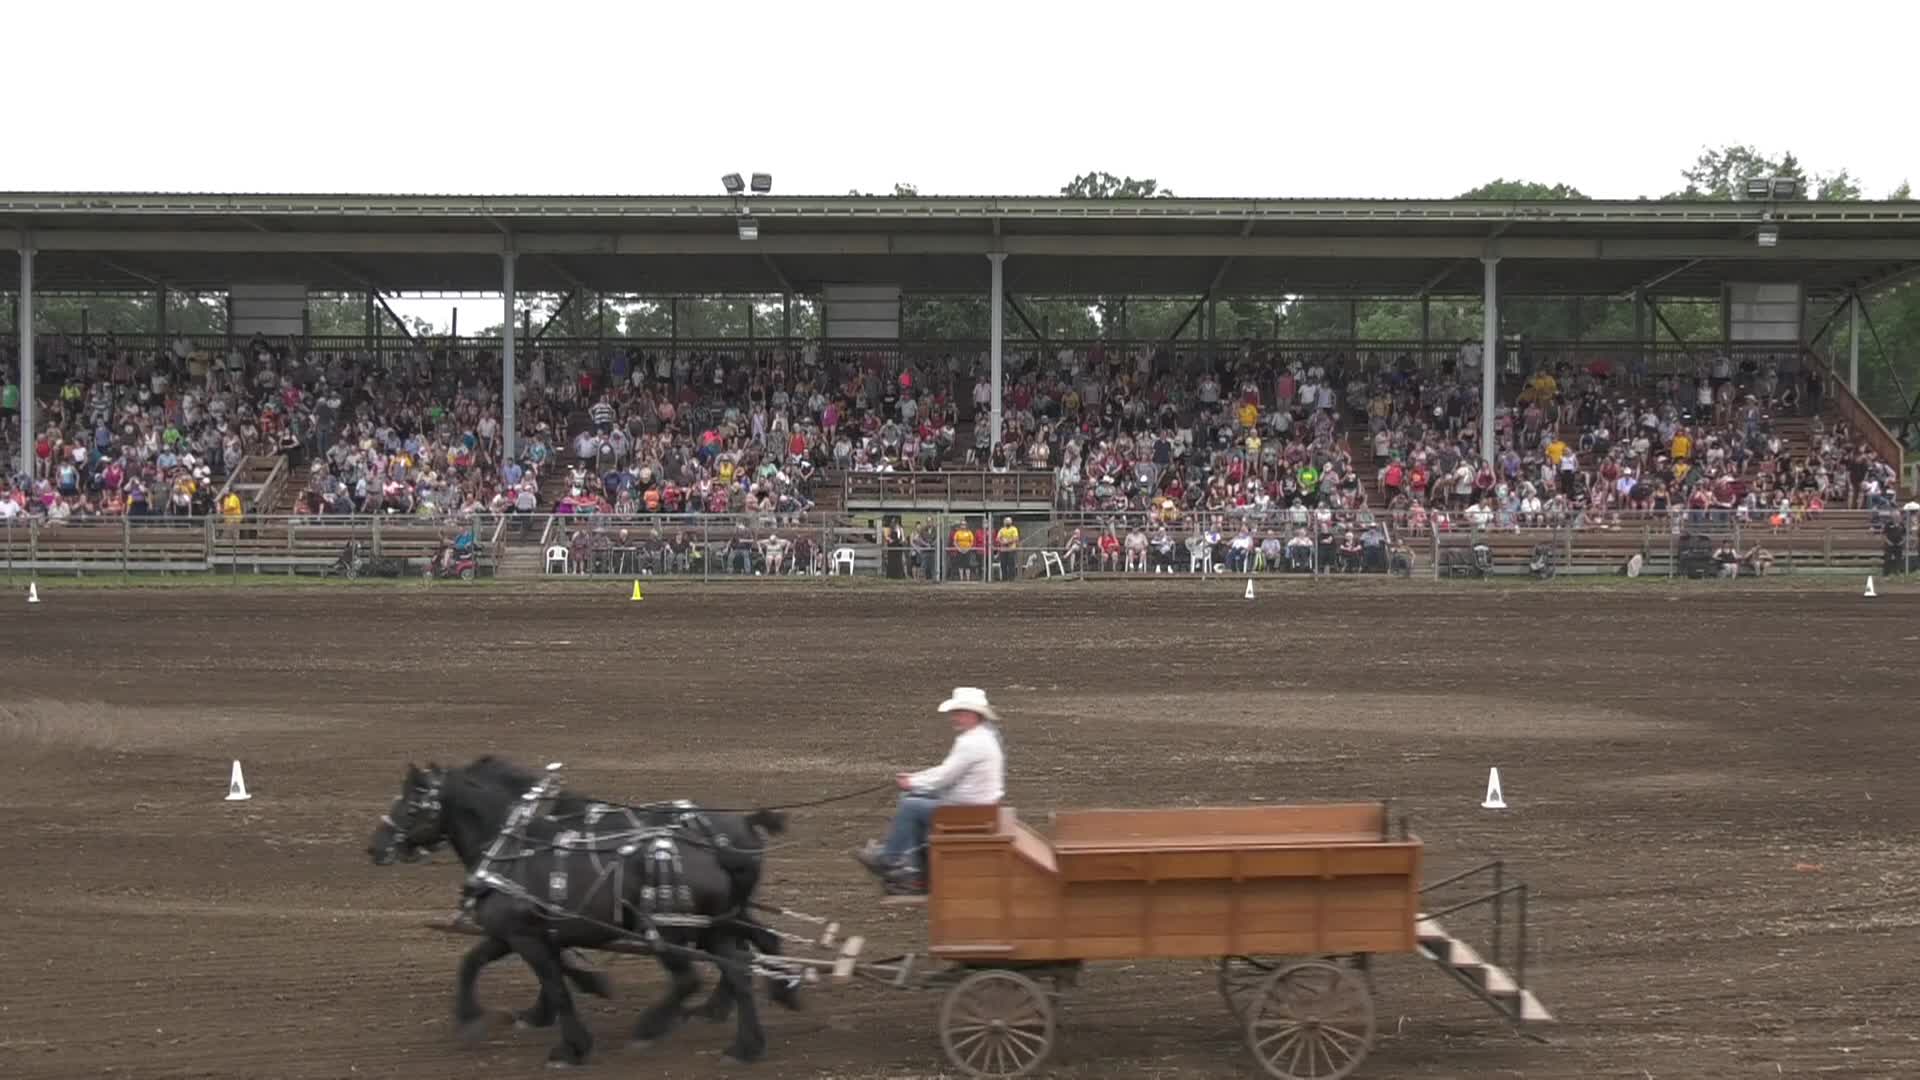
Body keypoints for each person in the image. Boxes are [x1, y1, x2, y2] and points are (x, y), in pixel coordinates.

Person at [855, 687, 1005, 896]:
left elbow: (944, 777)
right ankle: (915, 873)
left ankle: (889, 859)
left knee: (910, 805)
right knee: (910, 799)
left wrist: (913, 781)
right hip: (978, 806)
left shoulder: (972, 743)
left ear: (974, 715)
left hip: (968, 810)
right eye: (955, 712)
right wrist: (914, 780)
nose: (955, 717)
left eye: (960, 713)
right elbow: (946, 772)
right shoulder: (984, 736)